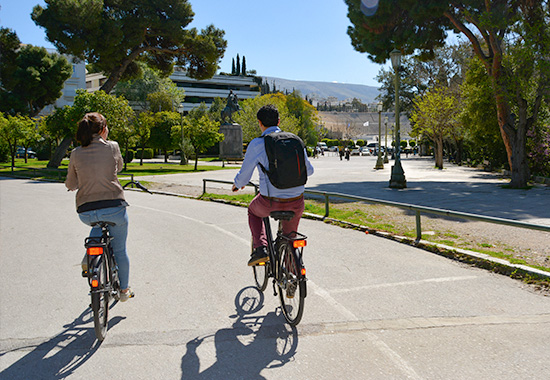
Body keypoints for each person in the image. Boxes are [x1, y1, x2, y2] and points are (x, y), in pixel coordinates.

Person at [232, 105, 314, 266]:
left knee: (253, 212)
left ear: (259, 123)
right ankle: (292, 278)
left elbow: (244, 174)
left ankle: (261, 248)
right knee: (291, 238)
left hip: (269, 202)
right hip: (297, 201)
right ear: (279, 121)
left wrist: (237, 184)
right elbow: (309, 171)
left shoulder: (257, 144)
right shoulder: (295, 140)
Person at [65, 112, 134, 301]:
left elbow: (70, 184)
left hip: (86, 211)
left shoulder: (76, 153)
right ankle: (124, 290)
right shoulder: (112, 147)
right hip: (114, 207)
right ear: (103, 129)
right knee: (119, 250)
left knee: (97, 224)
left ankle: (91, 255)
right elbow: (118, 167)